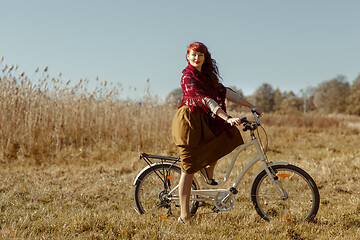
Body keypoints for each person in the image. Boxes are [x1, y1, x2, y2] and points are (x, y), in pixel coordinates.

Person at [172, 42, 262, 224]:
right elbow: (206, 100)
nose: (197, 58)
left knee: (223, 138)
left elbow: (225, 93)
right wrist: (226, 117)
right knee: (187, 169)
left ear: (205, 58)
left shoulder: (208, 77)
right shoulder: (187, 78)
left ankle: (208, 172)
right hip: (189, 123)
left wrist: (251, 105)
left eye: (201, 55)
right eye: (193, 55)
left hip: (206, 120)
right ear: (187, 57)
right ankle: (184, 215)